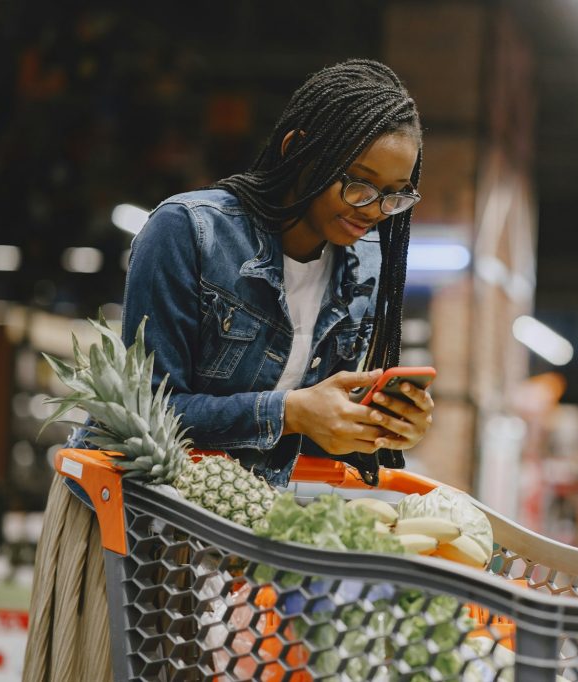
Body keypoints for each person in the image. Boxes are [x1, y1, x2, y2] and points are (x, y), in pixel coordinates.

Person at [24, 59, 434, 681]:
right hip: (123, 522)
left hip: (232, 537)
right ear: (300, 149)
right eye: (358, 182)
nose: (374, 208)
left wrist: (380, 426)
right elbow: (143, 416)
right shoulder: (189, 231)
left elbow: (310, 433)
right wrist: (291, 411)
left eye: (395, 191)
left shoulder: (361, 277)